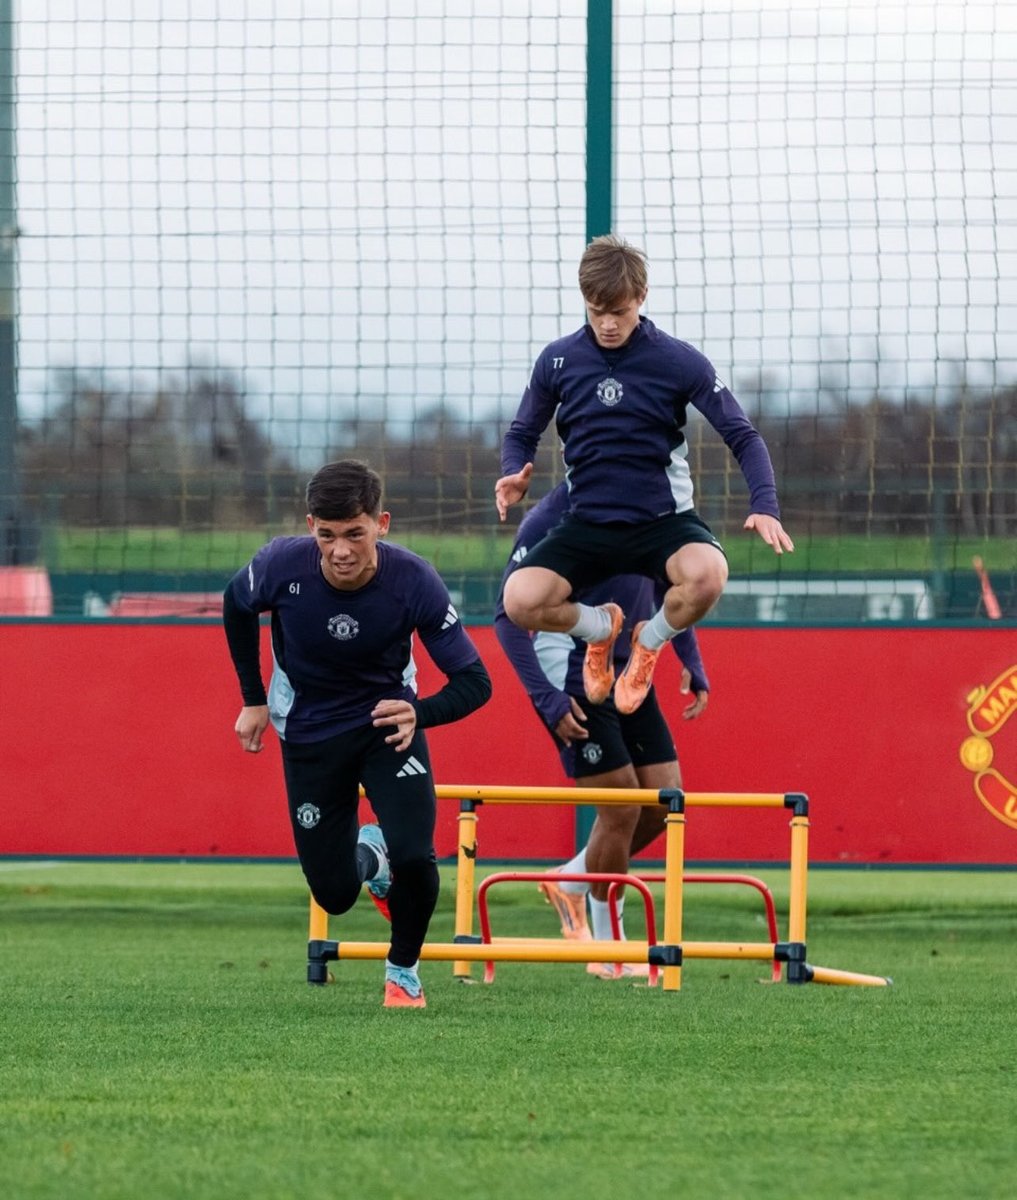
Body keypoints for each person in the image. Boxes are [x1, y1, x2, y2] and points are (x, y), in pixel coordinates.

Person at [222, 460, 492, 1009]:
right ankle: (372, 856)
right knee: (335, 893)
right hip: (309, 733)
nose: (340, 550)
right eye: (326, 535)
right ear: (310, 526)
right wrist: (253, 698)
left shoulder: (413, 580)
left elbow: (475, 681)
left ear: (381, 524)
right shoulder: (280, 564)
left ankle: (403, 972)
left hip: (386, 728)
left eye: (354, 533)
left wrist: (419, 713)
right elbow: (235, 603)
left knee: (417, 856)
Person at [495, 234, 793, 716]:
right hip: (587, 523)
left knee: (710, 575)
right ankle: (600, 628)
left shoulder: (677, 360)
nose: (608, 324)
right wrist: (514, 473)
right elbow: (521, 433)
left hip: (662, 522)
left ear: (641, 296)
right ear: (585, 301)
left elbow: (742, 435)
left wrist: (765, 505)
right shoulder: (557, 360)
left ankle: (648, 642)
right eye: (597, 312)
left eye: (620, 311)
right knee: (519, 600)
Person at [495, 482, 709, 980]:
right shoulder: (548, 519)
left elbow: (675, 590)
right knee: (621, 810)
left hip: (632, 669)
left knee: (665, 802)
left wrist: (691, 659)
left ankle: (570, 880)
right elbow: (507, 617)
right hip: (572, 672)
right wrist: (546, 699)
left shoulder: (653, 506)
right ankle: (611, 950)